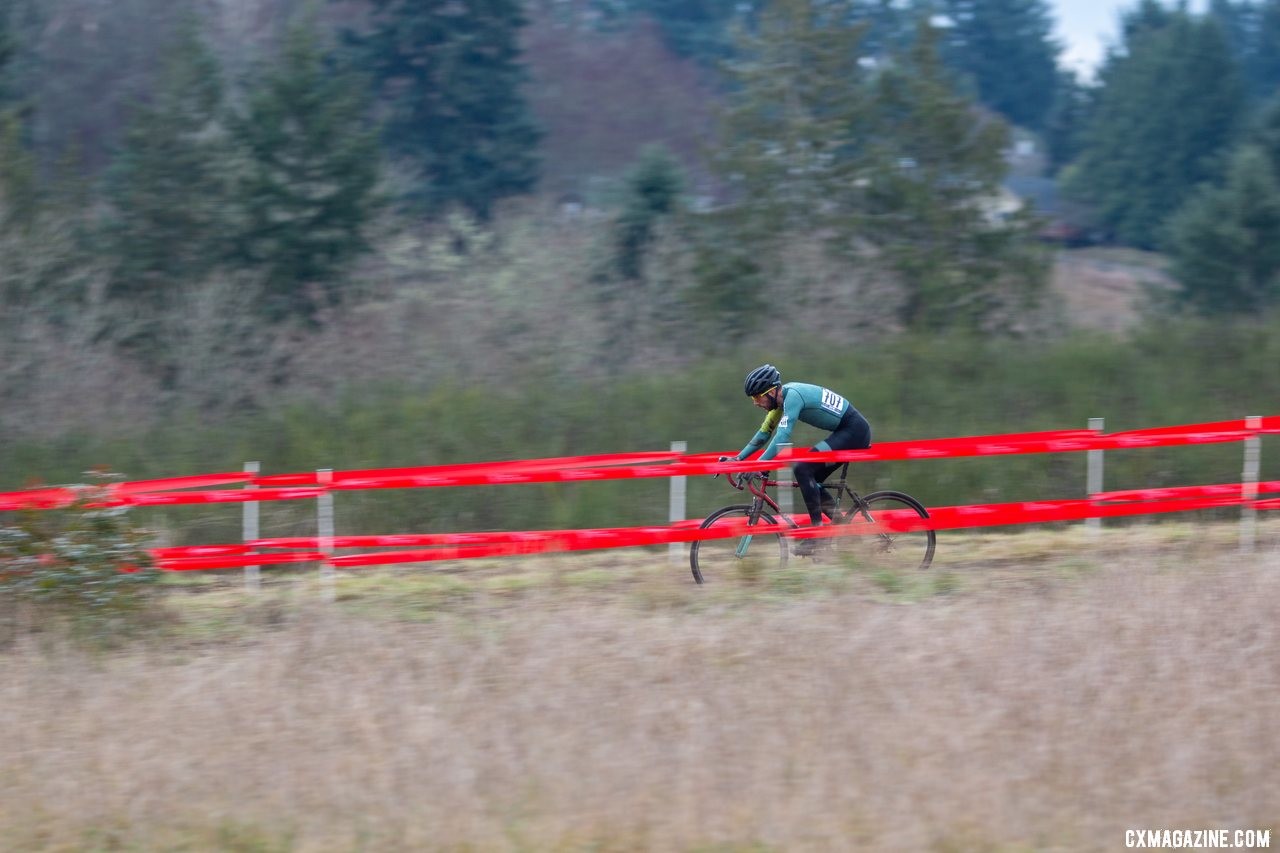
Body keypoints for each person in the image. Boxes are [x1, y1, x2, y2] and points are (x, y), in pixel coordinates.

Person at [724, 364, 872, 555]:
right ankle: (841, 525)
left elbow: (782, 438)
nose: (755, 402)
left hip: (854, 431)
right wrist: (738, 459)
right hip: (845, 431)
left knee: (803, 469)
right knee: (811, 478)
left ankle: (816, 535)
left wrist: (759, 466)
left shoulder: (793, 396)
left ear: (771, 392)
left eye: (757, 397)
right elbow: (763, 435)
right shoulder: (781, 402)